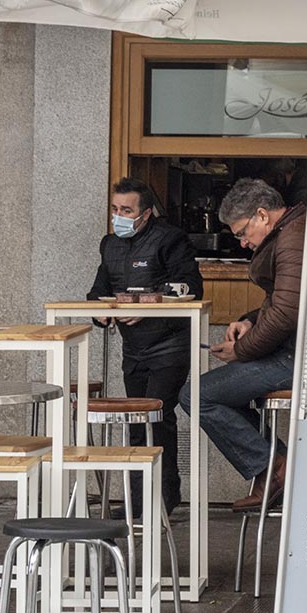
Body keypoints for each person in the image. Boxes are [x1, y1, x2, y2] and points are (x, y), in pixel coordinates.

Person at [179, 178, 306, 510]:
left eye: (242, 233)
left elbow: (285, 314)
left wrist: (241, 351)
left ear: (262, 215)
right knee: (210, 394)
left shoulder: (292, 239)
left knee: (196, 395)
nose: (243, 243)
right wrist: (250, 321)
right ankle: (277, 465)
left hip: (299, 357)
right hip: (296, 351)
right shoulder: (292, 231)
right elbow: (284, 302)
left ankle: (276, 466)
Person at [88, 177, 203, 516]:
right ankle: (138, 503)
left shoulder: (170, 239)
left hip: (169, 345)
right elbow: (97, 291)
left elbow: (190, 285)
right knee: (137, 423)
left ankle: (164, 499)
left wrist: (148, 304)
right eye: (115, 209)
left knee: (158, 417)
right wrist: (101, 314)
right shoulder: (109, 244)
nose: (119, 216)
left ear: (147, 213)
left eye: (127, 210)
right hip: (133, 349)